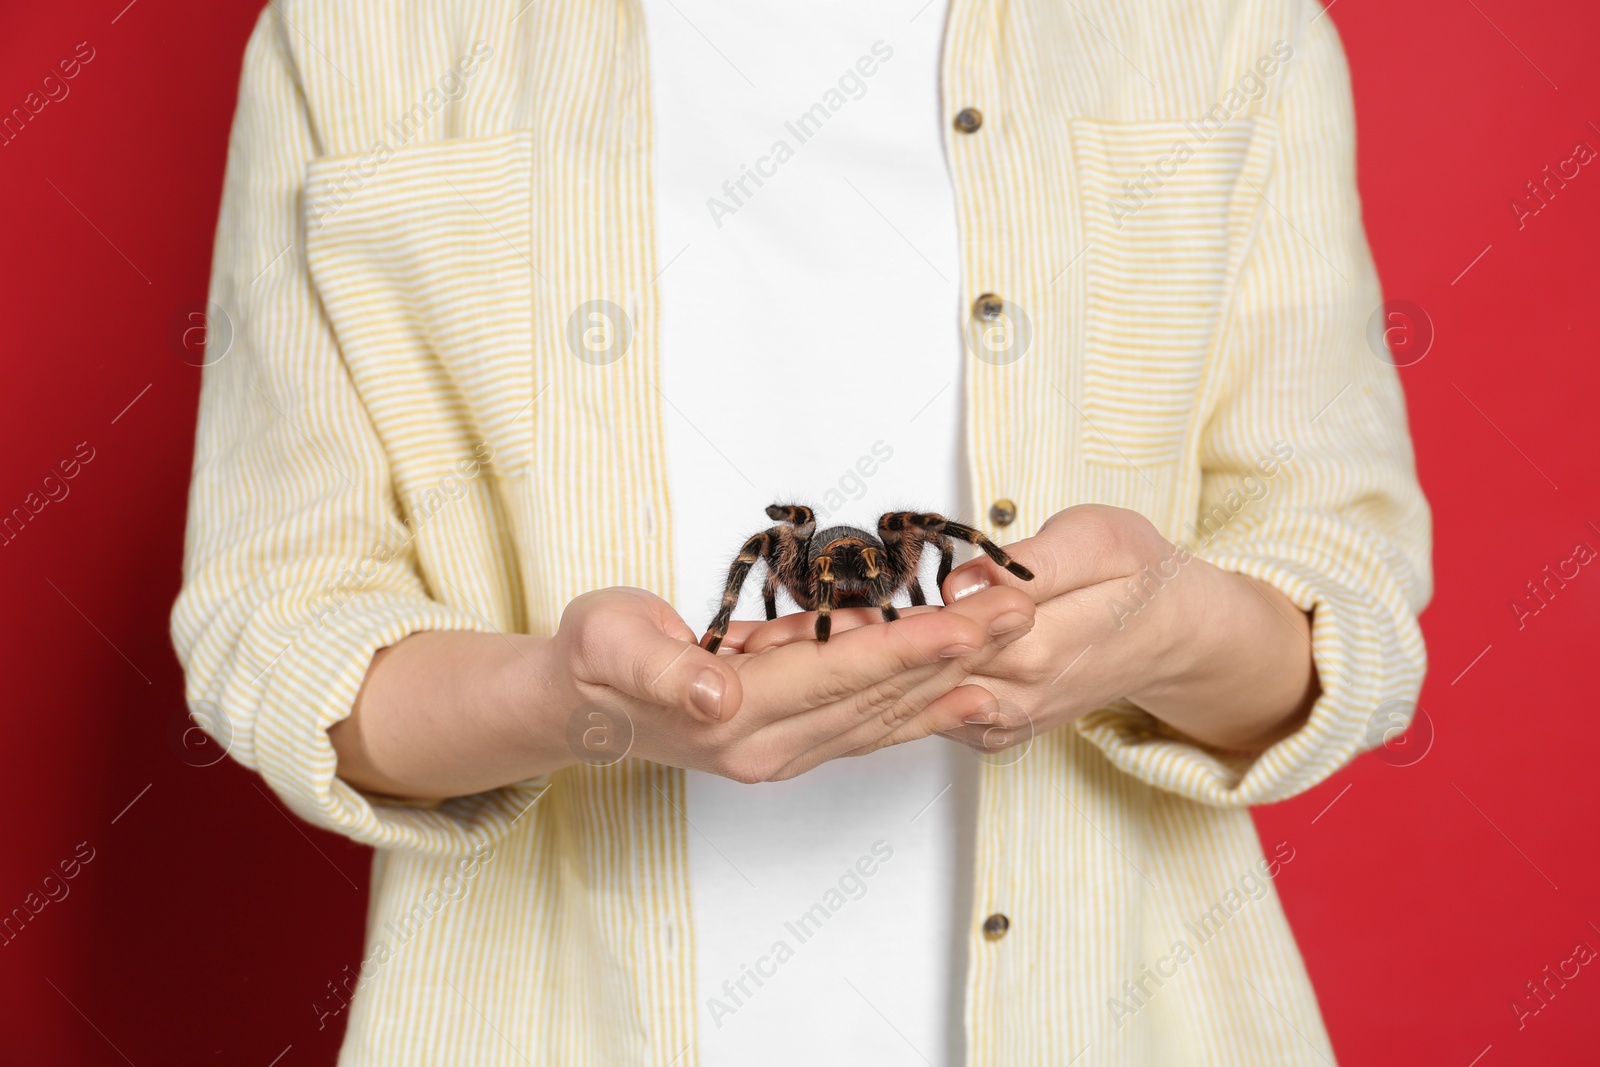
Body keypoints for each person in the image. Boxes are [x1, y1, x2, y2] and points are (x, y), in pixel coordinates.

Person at [170, 0, 1431, 1063]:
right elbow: (276, 622)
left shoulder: (1224, 28)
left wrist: (1161, 626)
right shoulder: (359, 36)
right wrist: (568, 697)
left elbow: (1347, 593)